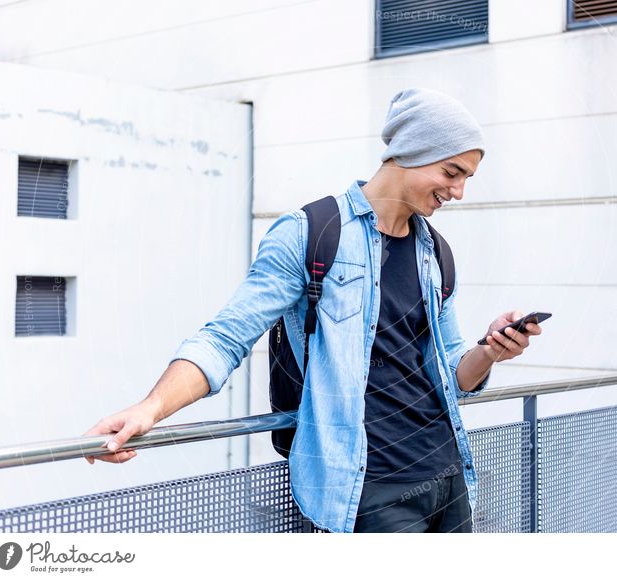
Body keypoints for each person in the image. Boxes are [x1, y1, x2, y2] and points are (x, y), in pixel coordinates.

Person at [83, 87, 543, 533]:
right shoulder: (311, 233)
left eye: (466, 178)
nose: (459, 192)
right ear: (410, 152)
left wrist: (490, 351)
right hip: (369, 492)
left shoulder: (434, 252)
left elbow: (453, 373)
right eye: (451, 172)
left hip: (450, 477)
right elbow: (225, 338)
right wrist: (150, 409)